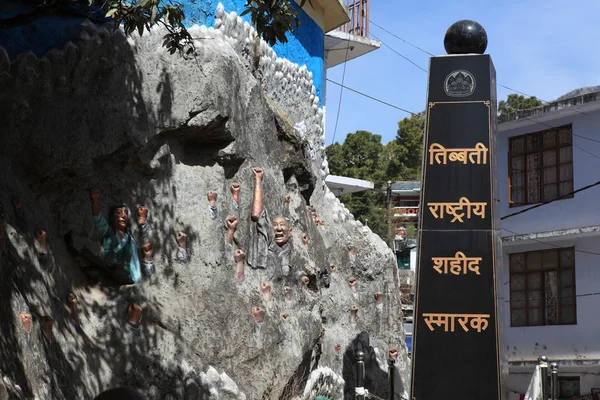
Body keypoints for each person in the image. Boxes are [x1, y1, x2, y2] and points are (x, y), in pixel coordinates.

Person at [248, 168, 293, 282]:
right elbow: (257, 215)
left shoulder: (290, 253)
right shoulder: (270, 246)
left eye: (282, 225)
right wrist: (258, 180)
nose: (278, 229)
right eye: (275, 225)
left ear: (290, 231)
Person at [89, 188, 142, 285]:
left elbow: (135, 262)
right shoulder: (107, 232)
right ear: (112, 217)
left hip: (128, 276)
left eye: (125, 213)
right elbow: (97, 218)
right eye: (118, 213)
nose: (123, 216)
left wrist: (137, 280)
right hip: (110, 271)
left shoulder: (131, 240)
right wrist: (95, 200)